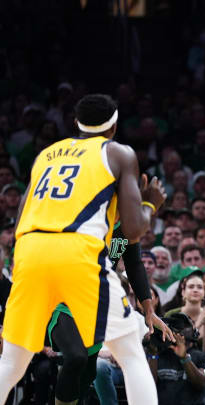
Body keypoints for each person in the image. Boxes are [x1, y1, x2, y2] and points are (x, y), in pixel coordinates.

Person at [0, 94, 165, 404]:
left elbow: (20, 219)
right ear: (114, 126)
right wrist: (149, 203)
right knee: (131, 355)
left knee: (11, 364)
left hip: (29, 251)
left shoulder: (46, 155)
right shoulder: (118, 153)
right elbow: (133, 229)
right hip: (76, 252)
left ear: (76, 123)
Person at [48, 218, 173, 405]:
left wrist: (149, 310)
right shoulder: (87, 211)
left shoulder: (127, 222)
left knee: (88, 372)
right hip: (64, 300)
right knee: (76, 357)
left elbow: (134, 264)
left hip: (97, 306)